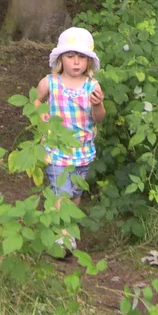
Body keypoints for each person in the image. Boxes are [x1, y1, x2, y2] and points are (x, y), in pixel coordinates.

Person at [37, 26, 106, 254]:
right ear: (60, 59)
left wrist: (98, 105)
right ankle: (62, 238)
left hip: (83, 151)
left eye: (81, 57)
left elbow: (99, 119)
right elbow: (34, 102)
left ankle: (70, 229)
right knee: (61, 193)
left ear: (89, 61)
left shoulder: (92, 87)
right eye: (70, 56)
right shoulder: (50, 83)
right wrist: (40, 114)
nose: (76, 62)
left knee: (75, 193)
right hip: (57, 150)